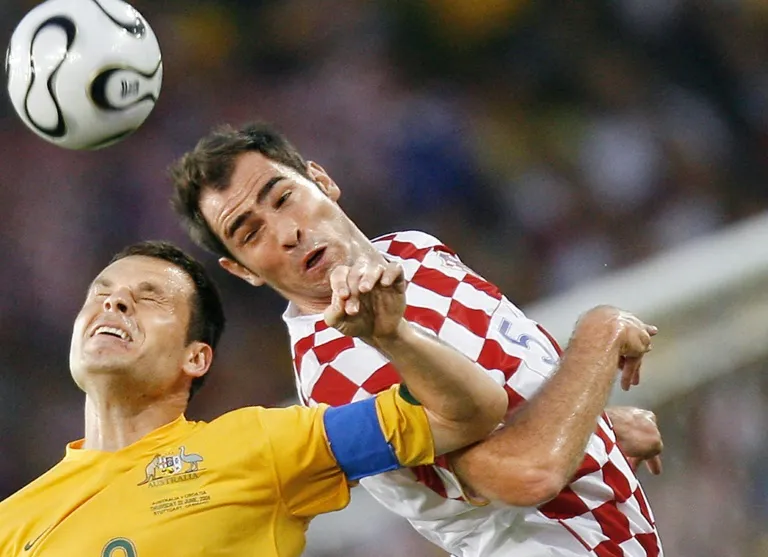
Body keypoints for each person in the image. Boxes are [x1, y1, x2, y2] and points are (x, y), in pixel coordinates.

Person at [171, 123, 665, 556]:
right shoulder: (337, 376)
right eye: (250, 233)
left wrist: (596, 426)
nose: (286, 232)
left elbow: (516, 396)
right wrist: (600, 333)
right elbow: (526, 473)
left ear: (322, 180)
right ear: (244, 271)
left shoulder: (414, 251)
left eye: (283, 198)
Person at [0, 240, 514, 557]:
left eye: (149, 297)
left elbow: (463, 413)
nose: (113, 302)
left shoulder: (258, 446)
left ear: (195, 358)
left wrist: (392, 336)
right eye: (101, 292)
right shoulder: (12, 520)